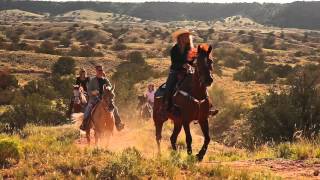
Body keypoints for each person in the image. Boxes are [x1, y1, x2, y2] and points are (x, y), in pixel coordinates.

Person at [80, 65, 124, 131]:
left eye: (102, 70)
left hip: (105, 99)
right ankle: (84, 124)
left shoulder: (105, 80)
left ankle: (118, 124)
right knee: (88, 108)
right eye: (100, 70)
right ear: (96, 71)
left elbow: (110, 87)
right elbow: (88, 91)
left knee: (114, 108)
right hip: (95, 98)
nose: (101, 71)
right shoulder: (92, 80)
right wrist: (93, 92)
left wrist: (108, 89)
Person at [164, 29, 196, 112]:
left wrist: (192, 64)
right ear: (181, 38)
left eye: (188, 36)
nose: (188, 38)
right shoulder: (174, 49)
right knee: (169, 86)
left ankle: (207, 106)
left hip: (188, 71)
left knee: (201, 83)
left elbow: (193, 61)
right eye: (186, 36)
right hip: (175, 71)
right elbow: (174, 63)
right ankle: (166, 106)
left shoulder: (191, 49)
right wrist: (183, 65)